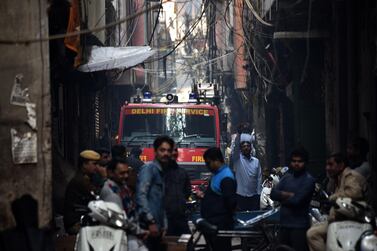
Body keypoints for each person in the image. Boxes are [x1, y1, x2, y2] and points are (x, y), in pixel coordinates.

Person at [307, 153, 367, 251]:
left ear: (341, 165)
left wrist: (333, 197)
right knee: (312, 233)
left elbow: (354, 193)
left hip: (355, 221)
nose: (327, 168)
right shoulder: (336, 179)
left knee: (314, 234)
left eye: (331, 164)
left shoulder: (350, 176)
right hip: (340, 219)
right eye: (327, 165)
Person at [270, 147, 315, 251]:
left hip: (299, 227)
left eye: (300, 161)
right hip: (284, 226)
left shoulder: (308, 180)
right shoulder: (287, 177)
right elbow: (273, 194)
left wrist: (281, 196)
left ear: (305, 162)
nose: (296, 164)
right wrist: (288, 195)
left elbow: (296, 201)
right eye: (294, 161)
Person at [136, 136, 174, 251]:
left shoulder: (163, 172)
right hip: (147, 228)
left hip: (158, 229)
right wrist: (150, 221)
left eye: (168, 150)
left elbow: (161, 202)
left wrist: (164, 225)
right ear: (155, 151)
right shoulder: (149, 169)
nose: (166, 153)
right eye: (162, 150)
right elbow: (141, 195)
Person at [100, 157, 147, 251]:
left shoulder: (121, 187)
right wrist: (139, 231)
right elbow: (120, 220)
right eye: (122, 173)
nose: (126, 176)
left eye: (127, 172)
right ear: (110, 173)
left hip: (128, 235)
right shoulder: (111, 193)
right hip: (119, 238)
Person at [199, 147, 237, 251]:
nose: (207, 166)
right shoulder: (218, 174)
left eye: (208, 163)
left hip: (220, 227)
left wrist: (220, 221)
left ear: (216, 160)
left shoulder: (226, 177)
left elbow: (230, 202)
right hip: (214, 225)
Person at [64, 150, 100, 234]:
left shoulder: (85, 178)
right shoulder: (82, 180)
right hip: (76, 223)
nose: (96, 167)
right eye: (94, 164)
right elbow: (97, 197)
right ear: (84, 164)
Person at [164, 145, 191, 236]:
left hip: (180, 217)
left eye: (175, 150)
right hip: (163, 219)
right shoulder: (156, 172)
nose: (174, 153)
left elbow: (187, 191)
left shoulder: (182, 172)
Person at [232, 133, 262, 211]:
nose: (246, 148)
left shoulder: (256, 161)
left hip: (254, 197)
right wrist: (239, 133)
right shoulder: (238, 160)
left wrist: (258, 194)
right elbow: (235, 148)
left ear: (251, 148)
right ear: (241, 149)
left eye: (248, 146)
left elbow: (259, 178)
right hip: (240, 196)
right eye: (244, 146)